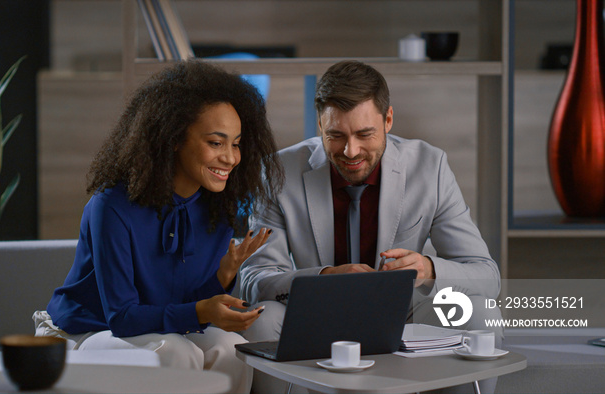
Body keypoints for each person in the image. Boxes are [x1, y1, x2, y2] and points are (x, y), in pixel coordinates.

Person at [239, 60, 503, 394]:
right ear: (320, 124)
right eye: (335, 135)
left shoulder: (430, 167)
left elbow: (486, 276)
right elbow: (252, 281)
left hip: (406, 320)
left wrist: (429, 269)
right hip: (315, 319)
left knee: (479, 311)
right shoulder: (277, 172)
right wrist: (322, 280)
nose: (351, 151)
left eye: (365, 134)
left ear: (388, 119)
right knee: (261, 317)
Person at [35, 60, 283, 394]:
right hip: (83, 333)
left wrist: (223, 275)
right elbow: (122, 317)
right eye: (216, 142)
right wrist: (198, 311)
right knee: (174, 354)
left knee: (231, 349)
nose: (230, 158)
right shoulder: (111, 207)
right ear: (174, 138)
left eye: (236, 143)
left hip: (157, 330)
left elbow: (176, 305)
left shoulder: (218, 209)